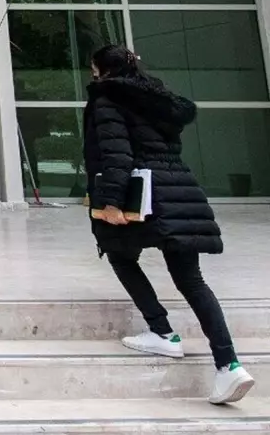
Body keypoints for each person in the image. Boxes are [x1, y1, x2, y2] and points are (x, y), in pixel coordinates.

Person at [84, 44, 255, 405]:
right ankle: (229, 365)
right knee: (191, 280)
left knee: (119, 254)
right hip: (180, 191)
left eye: (93, 69)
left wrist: (111, 201)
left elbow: (117, 153)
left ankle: (162, 331)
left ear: (101, 70)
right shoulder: (159, 98)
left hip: (141, 194)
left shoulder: (108, 99)